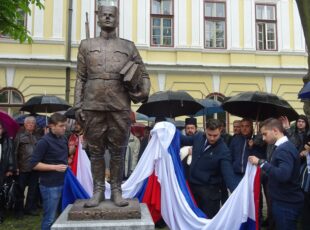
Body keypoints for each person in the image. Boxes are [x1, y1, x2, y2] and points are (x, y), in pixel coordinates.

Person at [74, 5, 150, 208]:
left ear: (117, 19)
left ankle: (117, 190)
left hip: (119, 105)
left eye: (112, 15)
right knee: (96, 151)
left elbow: (143, 74)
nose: (107, 17)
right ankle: (98, 191)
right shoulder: (85, 45)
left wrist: (143, 92)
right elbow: (80, 78)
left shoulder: (128, 46)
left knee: (118, 151)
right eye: (104, 14)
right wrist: (77, 106)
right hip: (93, 104)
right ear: (98, 18)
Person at [249, 118, 304, 230]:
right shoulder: (283, 147)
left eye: (265, 134)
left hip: (286, 203)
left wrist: (261, 162)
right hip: (284, 200)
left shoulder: (284, 149)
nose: (263, 138)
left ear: (275, 130)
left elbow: (283, 175)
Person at [181, 118, 237, 218]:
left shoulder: (223, 151)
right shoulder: (198, 136)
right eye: (209, 135)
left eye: (215, 135)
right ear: (205, 130)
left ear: (220, 130)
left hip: (209, 194)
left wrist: (236, 192)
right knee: (193, 219)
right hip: (192, 189)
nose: (212, 138)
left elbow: (228, 175)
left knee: (208, 222)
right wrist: (169, 130)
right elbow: (183, 139)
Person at [30, 113, 68, 230]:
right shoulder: (44, 142)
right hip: (50, 186)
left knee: (63, 216)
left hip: (64, 182)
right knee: (50, 218)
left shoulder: (64, 138)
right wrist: (55, 167)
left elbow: (62, 158)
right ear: (51, 126)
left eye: (65, 125)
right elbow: (34, 164)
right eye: (61, 126)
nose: (64, 128)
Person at [14, 116, 39, 218]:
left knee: (33, 190)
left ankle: (29, 208)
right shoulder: (19, 136)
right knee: (20, 190)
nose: (31, 125)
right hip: (23, 167)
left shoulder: (36, 137)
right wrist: (16, 166)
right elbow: (14, 152)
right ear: (24, 125)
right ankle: (19, 211)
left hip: (35, 167)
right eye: (28, 123)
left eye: (32, 123)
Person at [229, 118, 265, 183]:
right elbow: (230, 156)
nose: (244, 128)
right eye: (242, 126)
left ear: (251, 127)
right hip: (237, 174)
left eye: (247, 126)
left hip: (251, 174)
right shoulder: (235, 139)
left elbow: (260, 157)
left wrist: (252, 147)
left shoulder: (257, 140)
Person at [0, 122, 16, 224]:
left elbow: (11, 155)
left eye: (0, 128)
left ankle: (0, 215)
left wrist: (10, 169)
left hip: (2, 169)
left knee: (1, 193)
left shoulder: (8, 140)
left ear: (3, 130)